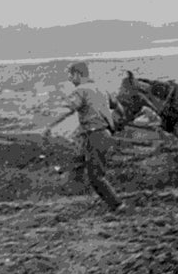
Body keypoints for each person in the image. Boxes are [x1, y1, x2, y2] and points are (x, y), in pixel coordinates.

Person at [43, 62, 125, 211]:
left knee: (96, 176)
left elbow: (68, 110)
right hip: (103, 134)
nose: (70, 79)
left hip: (94, 136)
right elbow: (119, 109)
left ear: (77, 75)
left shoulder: (80, 90)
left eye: (71, 76)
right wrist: (114, 124)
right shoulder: (101, 88)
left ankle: (118, 205)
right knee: (82, 165)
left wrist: (50, 125)